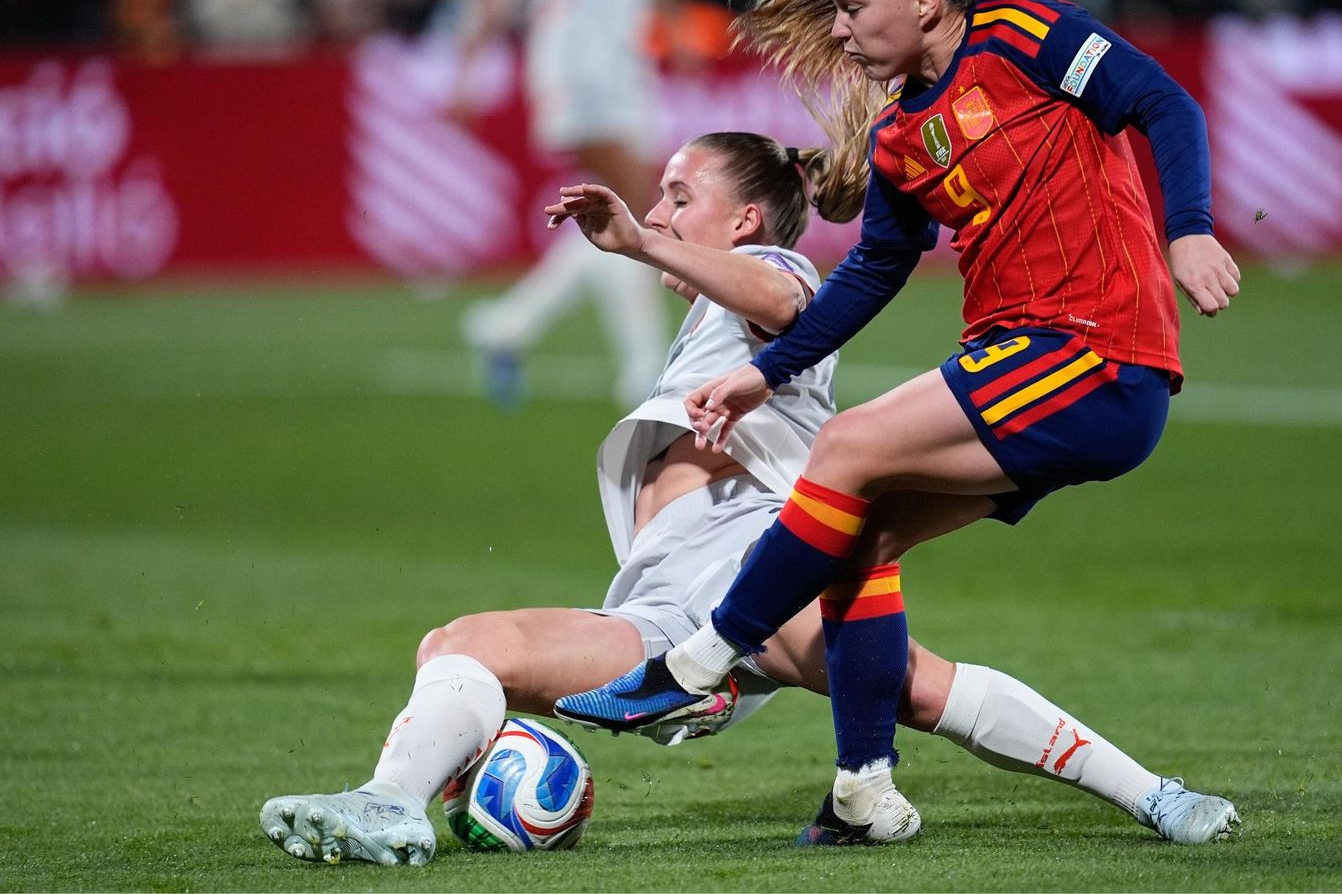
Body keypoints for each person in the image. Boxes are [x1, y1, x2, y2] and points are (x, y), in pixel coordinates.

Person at [258, 132, 1234, 867]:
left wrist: (640, 244)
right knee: (462, 642)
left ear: (743, 223)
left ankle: (1156, 793)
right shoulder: (707, 313)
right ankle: (388, 800)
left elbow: (790, 305)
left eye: (681, 195)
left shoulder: (771, 272)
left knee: (919, 687)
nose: (663, 207)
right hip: (655, 606)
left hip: (752, 569)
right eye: (661, 198)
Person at [555, 0, 1244, 846]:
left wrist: (1190, 232)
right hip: (1017, 361)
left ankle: (696, 663)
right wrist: (765, 370)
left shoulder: (1028, 38)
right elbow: (872, 272)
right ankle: (862, 789)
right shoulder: (897, 137)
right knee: (856, 535)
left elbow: (1163, 103)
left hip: (1094, 353)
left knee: (846, 444)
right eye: (832, 9)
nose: (839, 31)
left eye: (851, 6)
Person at [455, 0, 678, 410]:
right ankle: (643, 368)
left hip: (627, 58)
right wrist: (469, 65)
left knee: (626, 205)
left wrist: (675, 31)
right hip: (569, 54)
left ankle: (506, 325)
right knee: (639, 200)